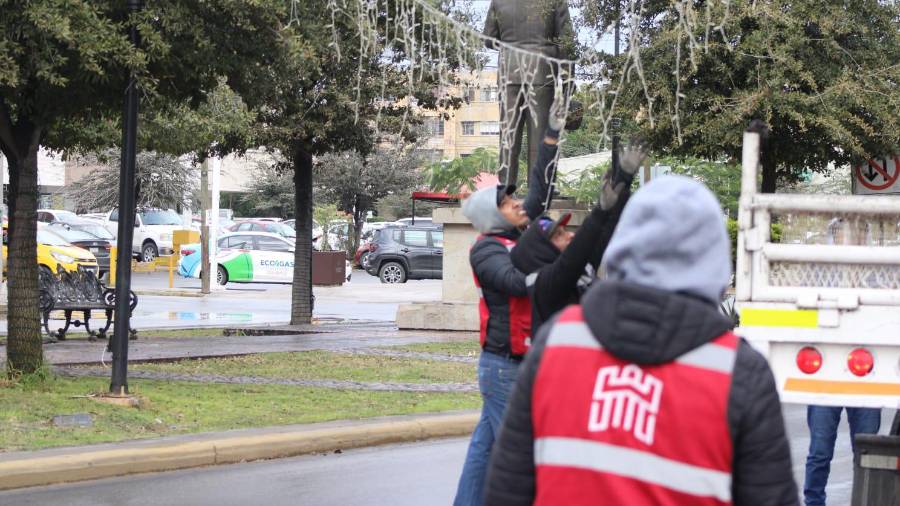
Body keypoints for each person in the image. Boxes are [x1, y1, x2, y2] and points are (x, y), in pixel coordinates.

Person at [484, 175, 798, 506]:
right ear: (714, 259)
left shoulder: (557, 345)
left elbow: (507, 490)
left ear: (625, 247)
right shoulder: (738, 372)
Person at [452, 96, 567, 506]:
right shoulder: (487, 250)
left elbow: (542, 187)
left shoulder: (517, 234)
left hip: (512, 363)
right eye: (507, 203)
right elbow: (516, 283)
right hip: (503, 366)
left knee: (483, 452)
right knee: (522, 456)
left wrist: (551, 136)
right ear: (494, 216)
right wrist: (557, 277)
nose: (519, 205)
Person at [509, 141, 646, 334]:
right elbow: (572, 259)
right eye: (558, 235)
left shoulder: (582, 269)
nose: (570, 236)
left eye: (564, 231)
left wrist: (624, 179)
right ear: (541, 250)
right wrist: (600, 210)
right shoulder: (544, 284)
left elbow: (606, 230)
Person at [803, 218, 882, 506]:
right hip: (826, 373)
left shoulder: (879, 273)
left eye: (860, 233)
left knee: (866, 452)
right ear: (834, 237)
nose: (853, 239)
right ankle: (813, 502)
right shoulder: (819, 272)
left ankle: (864, 501)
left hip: (868, 374)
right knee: (820, 450)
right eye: (846, 234)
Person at [483, 0, 575, 187]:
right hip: (543, 72)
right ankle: (539, 188)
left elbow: (488, 39)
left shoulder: (498, 2)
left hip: (509, 72)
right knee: (540, 136)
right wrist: (568, 80)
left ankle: (506, 187)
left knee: (509, 135)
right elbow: (567, 42)